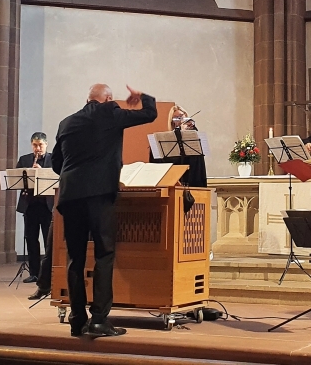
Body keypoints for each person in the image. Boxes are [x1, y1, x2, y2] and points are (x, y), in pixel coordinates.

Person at [51, 84, 158, 337]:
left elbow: (57, 162)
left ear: (87, 99)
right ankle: (99, 319)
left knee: (75, 259)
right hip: (99, 196)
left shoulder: (66, 122)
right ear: (108, 98)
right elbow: (149, 114)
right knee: (104, 254)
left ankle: (77, 319)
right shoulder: (111, 112)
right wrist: (143, 97)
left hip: (71, 196)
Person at [15, 132, 54, 284]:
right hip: (30, 205)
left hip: (47, 206)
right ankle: (34, 273)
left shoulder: (53, 160)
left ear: (46, 145)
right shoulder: (24, 160)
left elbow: (58, 177)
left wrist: (41, 173)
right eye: (35, 145)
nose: (38, 148)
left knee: (48, 240)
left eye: (41, 145)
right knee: (31, 239)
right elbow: (17, 180)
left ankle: (48, 274)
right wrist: (30, 173)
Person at [149, 105, 207, 188]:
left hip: (192, 175)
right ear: (172, 122)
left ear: (186, 116)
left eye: (181, 117)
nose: (180, 120)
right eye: (176, 118)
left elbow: (197, 147)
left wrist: (185, 130)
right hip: (176, 173)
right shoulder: (169, 137)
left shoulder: (193, 131)